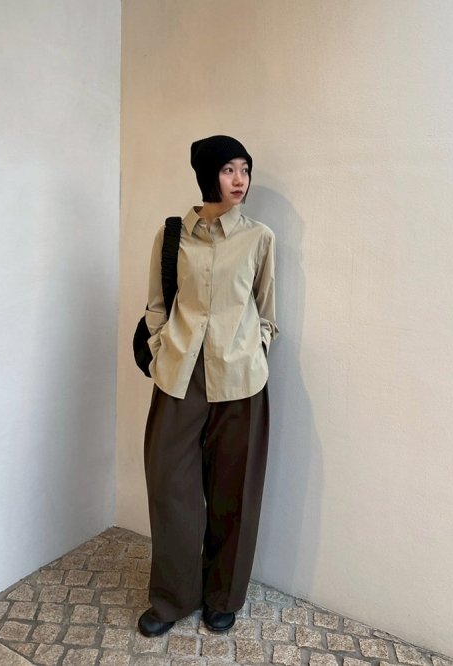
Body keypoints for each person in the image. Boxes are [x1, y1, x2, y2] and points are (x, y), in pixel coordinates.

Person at [138, 135, 278, 637]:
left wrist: (257, 347)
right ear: (206, 175)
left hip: (240, 378)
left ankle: (223, 595)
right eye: (228, 169)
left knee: (234, 490)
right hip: (179, 375)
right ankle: (173, 597)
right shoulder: (172, 234)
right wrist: (161, 348)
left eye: (245, 169)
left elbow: (266, 309)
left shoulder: (259, 237)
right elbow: (158, 303)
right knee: (169, 484)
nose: (240, 180)